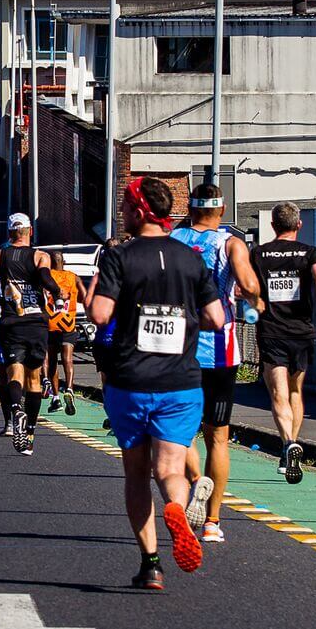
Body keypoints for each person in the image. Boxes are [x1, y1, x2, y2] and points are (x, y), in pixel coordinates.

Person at [88, 177, 225, 588]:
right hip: (181, 382)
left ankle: (151, 564)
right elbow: (217, 319)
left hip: (130, 379)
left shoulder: (120, 257)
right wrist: (183, 317)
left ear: (141, 211)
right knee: (169, 469)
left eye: (127, 207)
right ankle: (178, 512)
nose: (123, 214)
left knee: (135, 473)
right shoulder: (191, 259)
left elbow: (99, 313)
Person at [170, 183, 262, 539]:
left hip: (179, 346)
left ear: (190, 209)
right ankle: (212, 522)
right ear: (222, 211)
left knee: (181, 432)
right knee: (218, 437)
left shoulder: (173, 241)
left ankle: (196, 480)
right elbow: (249, 284)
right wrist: (254, 301)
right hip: (220, 350)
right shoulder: (230, 243)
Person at [250, 201, 316, 486]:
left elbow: (245, 286)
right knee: (297, 391)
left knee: (278, 394)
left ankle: (287, 444)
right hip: (302, 331)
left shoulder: (259, 253)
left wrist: (254, 302)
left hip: (272, 331)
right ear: (299, 224)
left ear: (273, 225)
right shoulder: (309, 252)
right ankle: (293, 444)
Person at [0, 213, 64, 455]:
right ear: (30, 231)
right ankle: (29, 429)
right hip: (36, 322)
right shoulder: (41, 256)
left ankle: (16, 407)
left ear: (10, 234)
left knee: (13, 373)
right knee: (34, 379)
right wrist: (57, 293)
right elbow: (44, 276)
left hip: (11, 322)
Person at [44, 250, 87, 416]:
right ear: (64, 261)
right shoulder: (73, 277)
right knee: (68, 359)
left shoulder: (47, 277)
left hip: (51, 324)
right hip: (68, 324)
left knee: (52, 360)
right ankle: (69, 388)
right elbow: (83, 297)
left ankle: (55, 397)